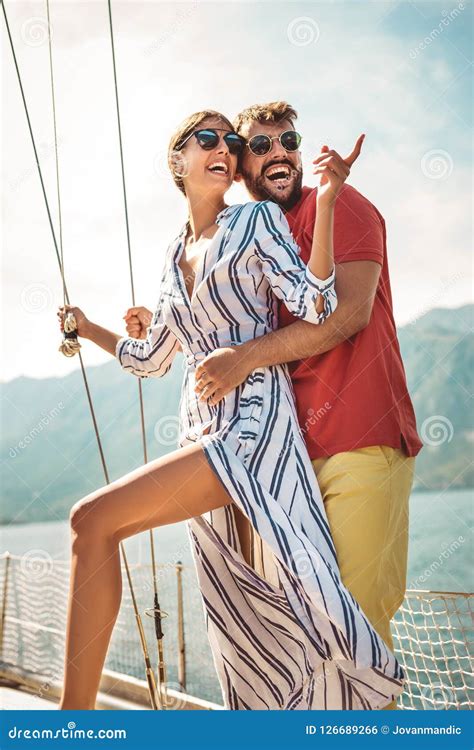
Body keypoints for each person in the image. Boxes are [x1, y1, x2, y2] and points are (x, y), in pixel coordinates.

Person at [57, 109, 403, 711]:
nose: (226, 147)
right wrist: (90, 329)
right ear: (179, 162)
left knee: (92, 520)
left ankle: (71, 723)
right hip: (200, 429)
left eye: (231, 141)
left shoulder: (258, 219)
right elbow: (151, 359)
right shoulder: (170, 257)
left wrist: (324, 201)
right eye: (209, 138)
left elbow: (318, 304)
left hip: (253, 428)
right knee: (244, 623)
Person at [192, 102, 423, 710]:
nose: (279, 154)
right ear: (241, 169)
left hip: (360, 441)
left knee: (355, 637)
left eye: (287, 141)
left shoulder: (338, 204)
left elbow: (346, 315)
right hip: (287, 464)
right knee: (304, 638)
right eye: (261, 147)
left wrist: (244, 358)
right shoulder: (254, 237)